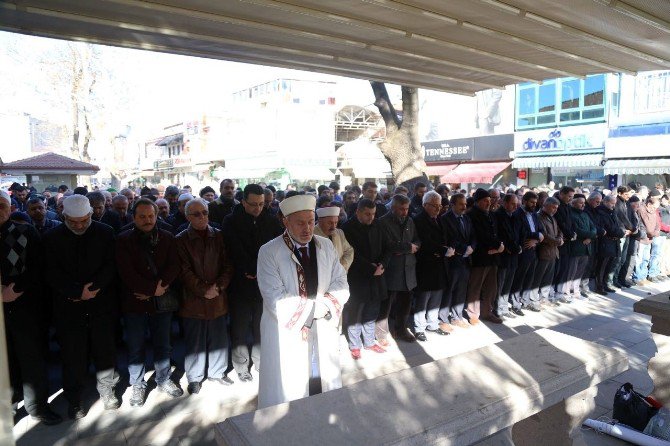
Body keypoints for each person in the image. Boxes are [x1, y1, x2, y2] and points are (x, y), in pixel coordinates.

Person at [256, 194, 349, 408]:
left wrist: (325, 307)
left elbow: (340, 280)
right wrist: (314, 310)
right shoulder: (269, 251)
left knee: (322, 381)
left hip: (323, 325)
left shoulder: (325, 245)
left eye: (310, 222)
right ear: (285, 221)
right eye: (300, 223)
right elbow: (275, 298)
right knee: (291, 387)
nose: (307, 228)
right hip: (287, 332)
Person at [43, 195, 120, 419]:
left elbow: (111, 265)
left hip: (101, 304)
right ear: (63, 216)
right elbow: (49, 272)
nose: (79, 226)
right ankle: (75, 400)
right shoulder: (51, 237)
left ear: (90, 215)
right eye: (73, 222)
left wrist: (93, 289)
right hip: (69, 308)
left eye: (84, 221)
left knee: (105, 352)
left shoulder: (105, 232)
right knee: (73, 356)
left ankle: (107, 391)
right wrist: (76, 292)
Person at [1, 191, 62, 426]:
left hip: (24, 308)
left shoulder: (25, 231)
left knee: (31, 359)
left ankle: (37, 406)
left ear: (11, 208)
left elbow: (39, 266)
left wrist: (15, 290)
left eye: (2, 205)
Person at [116, 199, 182, 407]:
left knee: (163, 343)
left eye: (151, 216)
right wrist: (150, 289)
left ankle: (163, 378)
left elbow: (174, 265)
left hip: (161, 301)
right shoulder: (123, 239)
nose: (147, 220)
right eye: (142, 217)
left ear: (156, 216)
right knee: (136, 347)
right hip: (134, 302)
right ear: (134, 217)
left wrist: (157, 289)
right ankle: (137, 383)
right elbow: (125, 272)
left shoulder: (168, 237)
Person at [223, 184, 283, 382]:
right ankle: (241, 366)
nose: (258, 208)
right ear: (243, 202)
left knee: (262, 326)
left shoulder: (271, 220)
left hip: (264, 284)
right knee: (239, 328)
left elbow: (277, 247)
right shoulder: (231, 221)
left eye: (261, 204)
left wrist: (263, 271)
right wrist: (249, 269)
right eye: (253, 204)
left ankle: (261, 362)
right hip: (241, 283)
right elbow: (233, 249)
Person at [176, 198, 235, 395]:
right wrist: (203, 290)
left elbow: (228, 265)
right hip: (194, 299)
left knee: (219, 337)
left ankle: (217, 373)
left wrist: (218, 287)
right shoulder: (181, 239)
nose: (202, 217)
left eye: (205, 213)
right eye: (196, 214)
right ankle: (194, 377)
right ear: (187, 217)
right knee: (195, 342)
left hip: (218, 295)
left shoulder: (219, 236)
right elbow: (183, 270)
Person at [341, 198, 391, 356]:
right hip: (358, 277)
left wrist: (382, 264)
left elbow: (387, 247)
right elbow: (351, 253)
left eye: (373, 214)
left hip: (378, 275)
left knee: (372, 311)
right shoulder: (347, 228)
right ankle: (355, 345)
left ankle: (369, 342)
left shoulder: (378, 224)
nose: (371, 217)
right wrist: (370, 268)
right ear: (358, 212)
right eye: (367, 214)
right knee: (355, 311)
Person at [376, 194, 420, 344]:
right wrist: (408, 247)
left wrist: (412, 247)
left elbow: (417, 240)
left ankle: (401, 330)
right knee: (386, 305)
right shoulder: (382, 222)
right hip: (392, 270)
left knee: (405, 303)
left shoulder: (410, 220)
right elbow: (388, 245)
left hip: (408, 269)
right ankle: (381, 334)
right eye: (401, 209)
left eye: (407, 209)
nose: (405, 212)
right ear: (393, 207)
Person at [466, 189, 504, 324]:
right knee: (476, 286)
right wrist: (496, 245)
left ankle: (487, 312)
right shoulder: (472, 215)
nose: (488, 203)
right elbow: (479, 235)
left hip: (493, 257)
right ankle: (473, 314)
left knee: (491, 286)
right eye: (485, 201)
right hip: (480, 256)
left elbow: (496, 233)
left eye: (489, 201)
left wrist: (499, 245)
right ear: (477, 202)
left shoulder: (492, 215)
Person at [440, 193, 472, 329]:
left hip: (466, 259)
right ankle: (443, 319)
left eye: (465, 204)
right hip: (453, 260)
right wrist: (463, 248)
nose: (464, 207)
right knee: (449, 290)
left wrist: (472, 247)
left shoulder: (466, 218)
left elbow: (473, 235)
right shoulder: (445, 219)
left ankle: (457, 316)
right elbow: (447, 239)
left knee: (461, 289)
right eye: (461, 204)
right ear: (452, 205)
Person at [565, 195, 597, 300]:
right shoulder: (571, 214)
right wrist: (589, 235)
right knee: (571, 272)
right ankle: (567, 292)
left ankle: (576, 291)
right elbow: (577, 231)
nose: (583, 204)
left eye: (584, 202)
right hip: (576, 247)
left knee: (580, 272)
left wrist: (590, 237)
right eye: (580, 203)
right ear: (573, 203)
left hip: (586, 247)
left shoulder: (585, 214)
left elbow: (594, 229)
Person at [494, 194, 521, 319]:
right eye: (512, 204)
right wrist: (509, 248)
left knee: (508, 283)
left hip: (514, 255)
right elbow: (501, 235)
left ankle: (504, 307)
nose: (515, 207)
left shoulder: (515, 216)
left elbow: (520, 233)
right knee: (500, 283)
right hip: (503, 255)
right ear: (504, 203)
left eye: (516, 204)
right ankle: (497, 308)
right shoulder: (498, 215)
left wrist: (518, 246)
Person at [593, 195, 625, 295]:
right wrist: (620, 233)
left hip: (613, 242)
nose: (613, 205)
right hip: (605, 243)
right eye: (612, 203)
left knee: (609, 266)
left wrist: (620, 232)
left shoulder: (612, 212)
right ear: (605, 202)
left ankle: (605, 284)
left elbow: (617, 225)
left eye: (614, 203)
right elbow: (609, 227)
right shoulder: (601, 212)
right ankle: (599, 286)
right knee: (602, 266)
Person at [536, 197, 563, 306]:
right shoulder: (539, 216)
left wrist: (560, 238)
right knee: (539, 277)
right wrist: (558, 241)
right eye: (553, 207)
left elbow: (559, 231)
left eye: (556, 208)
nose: (555, 210)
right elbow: (544, 235)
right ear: (546, 205)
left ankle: (544, 298)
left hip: (553, 252)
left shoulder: (552, 218)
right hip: (544, 252)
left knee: (548, 278)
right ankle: (535, 300)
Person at [313, 206, 354, 271]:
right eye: (330, 223)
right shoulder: (312, 235)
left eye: (336, 223)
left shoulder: (339, 233)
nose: (333, 227)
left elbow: (349, 251)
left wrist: (342, 266)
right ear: (320, 221)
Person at [553, 187, 576, 300]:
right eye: (569, 196)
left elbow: (569, 222)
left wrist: (572, 233)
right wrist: (570, 234)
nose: (571, 199)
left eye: (572, 197)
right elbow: (561, 223)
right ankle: (553, 292)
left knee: (564, 268)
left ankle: (559, 292)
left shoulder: (567, 206)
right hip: (560, 241)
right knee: (557, 269)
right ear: (561, 194)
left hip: (567, 241)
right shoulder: (557, 205)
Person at [634, 198, 660, 285]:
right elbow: (647, 226)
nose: (655, 209)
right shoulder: (642, 210)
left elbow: (657, 224)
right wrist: (653, 233)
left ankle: (643, 276)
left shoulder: (653, 212)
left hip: (649, 239)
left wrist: (656, 232)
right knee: (639, 259)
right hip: (642, 238)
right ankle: (637, 277)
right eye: (654, 207)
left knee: (646, 259)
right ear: (649, 204)